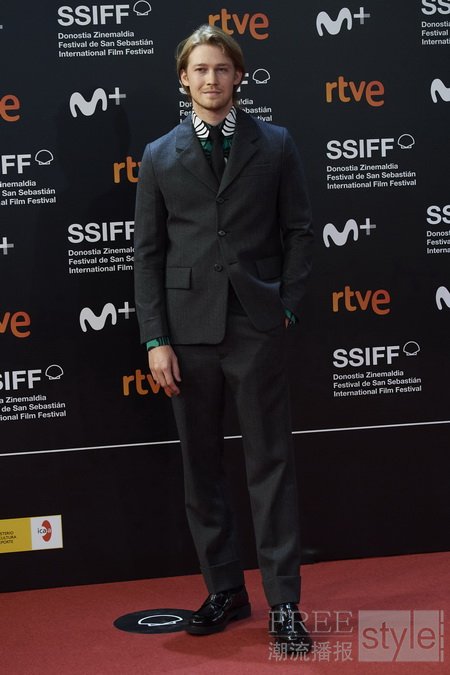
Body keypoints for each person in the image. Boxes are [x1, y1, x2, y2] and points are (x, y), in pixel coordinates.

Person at [134, 24, 313, 652]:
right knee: (201, 465)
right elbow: (147, 254)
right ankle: (225, 589)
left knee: (270, 463)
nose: (211, 79)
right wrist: (155, 339)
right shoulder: (159, 154)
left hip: (256, 325)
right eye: (200, 70)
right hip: (186, 334)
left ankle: (284, 602)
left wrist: (285, 307)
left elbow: (299, 232)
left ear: (239, 76)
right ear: (184, 79)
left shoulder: (276, 143)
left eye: (222, 69)